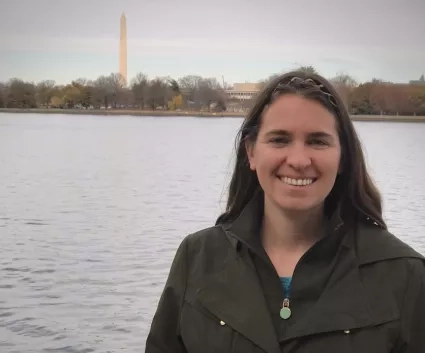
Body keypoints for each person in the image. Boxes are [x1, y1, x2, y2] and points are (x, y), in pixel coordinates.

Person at [145, 71, 425, 353]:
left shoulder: (405, 276)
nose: (299, 160)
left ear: (343, 157)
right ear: (251, 152)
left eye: (318, 141)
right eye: (279, 140)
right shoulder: (198, 257)